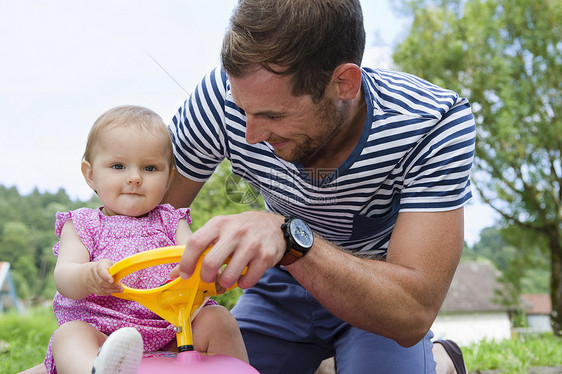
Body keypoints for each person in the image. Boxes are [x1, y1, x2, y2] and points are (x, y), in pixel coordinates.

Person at [164, 0, 475, 373]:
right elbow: (144, 221)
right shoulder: (221, 96)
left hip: (376, 299)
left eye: (273, 116)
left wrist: (290, 239)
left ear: (343, 83)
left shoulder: (434, 123)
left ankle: (439, 360)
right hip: (277, 285)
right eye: (242, 109)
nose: (250, 136)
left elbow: (412, 312)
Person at [39, 105, 248, 374]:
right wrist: (88, 276)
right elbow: (64, 276)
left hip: (175, 332)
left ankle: (236, 370)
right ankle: (97, 370)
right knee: (69, 336)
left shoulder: (172, 220)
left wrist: (208, 270)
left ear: (168, 177)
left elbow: (195, 257)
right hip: (105, 335)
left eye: (150, 168)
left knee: (218, 319)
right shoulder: (83, 224)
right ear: (91, 175)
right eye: (118, 166)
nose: (135, 178)